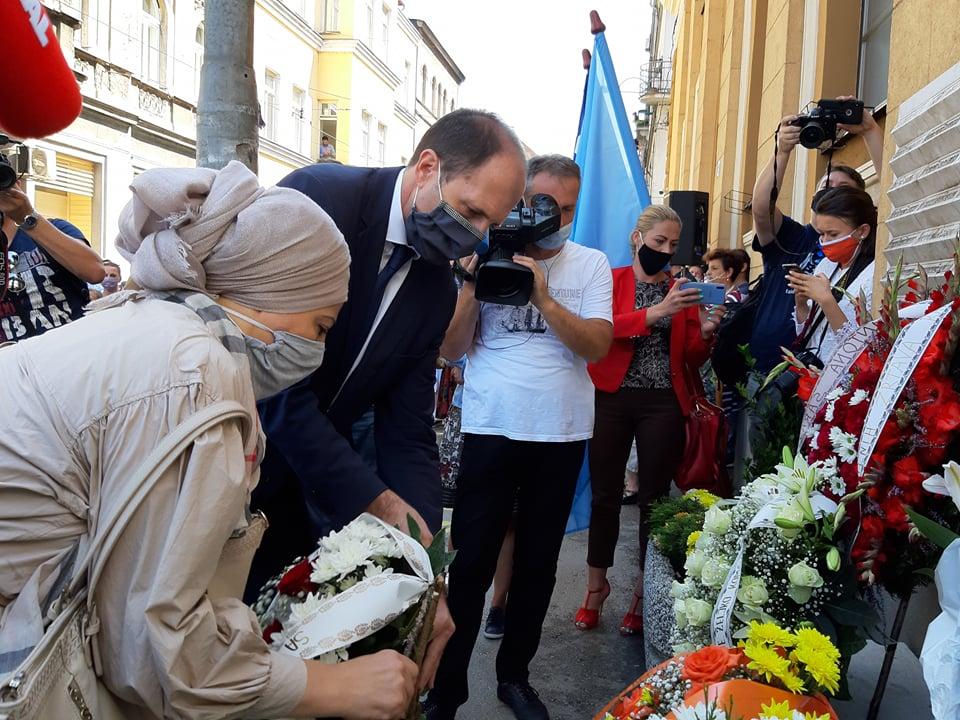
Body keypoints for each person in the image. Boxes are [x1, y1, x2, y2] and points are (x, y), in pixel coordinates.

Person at [0, 161, 422, 720]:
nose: (315, 350)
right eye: (320, 325)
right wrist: (336, 686)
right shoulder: (197, 375)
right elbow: (155, 649)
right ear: (263, 291)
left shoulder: (148, 323)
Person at [249, 108, 527, 682]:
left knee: (279, 648)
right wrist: (382, 506)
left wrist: (425, 561)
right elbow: (277, 390)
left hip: (301, 486)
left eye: (488, 225)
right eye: (472, 211)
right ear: (428, 167)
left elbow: (406, 430)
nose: (475, 237)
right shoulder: (318, 201)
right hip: (227, 459)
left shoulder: (432, 286)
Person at [426, 154, 613, 720]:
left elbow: (598, 347)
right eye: (542, 204)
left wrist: (543, 296)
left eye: (567, 208)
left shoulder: (591, 264)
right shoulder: (482, 251)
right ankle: (446, 691)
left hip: (559, 433)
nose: (553, 217)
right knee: (472, 564)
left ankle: (515, 678)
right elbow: (453, 349)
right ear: (520, 200)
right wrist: (467, 282)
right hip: (491, 426)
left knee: (537, 564)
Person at [575, 205, 723, 636]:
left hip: (663, 402)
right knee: (604, 494)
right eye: (659, 242)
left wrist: (707, 332)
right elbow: (600, 331)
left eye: (673, 245)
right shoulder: (612, 280)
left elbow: (692, 357)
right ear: (637, 238)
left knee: (654, 500)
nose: (666, 251)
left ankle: (644, 590)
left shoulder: (682, 290)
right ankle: (595, 586)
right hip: (611, 396)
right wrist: (657, 313)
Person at [749, 95, 882, 374]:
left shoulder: (873, 255)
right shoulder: (802, 240)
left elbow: (898, 189)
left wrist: (870, 129)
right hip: (776, 370)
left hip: (831, 378)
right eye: (825, 187)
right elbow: (762, 209)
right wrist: (782, 151)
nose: (825, 241)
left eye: (840, 190)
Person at [0, 180, 105, 341]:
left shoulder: (54, 228)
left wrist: (28, 218)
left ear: (18, 185)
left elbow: (95, 271)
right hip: (18, 362)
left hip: (76, 351)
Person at [787, 186, 876, 365]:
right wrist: (802, 304)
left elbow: (863, 348)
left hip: (845, 378)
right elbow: (808, 332)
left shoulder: (874, 274)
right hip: (813, 372)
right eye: (822, 234)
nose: (825, 241)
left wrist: (826, 300)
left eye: (833, 234)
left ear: (862, 231)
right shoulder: (826, 265)